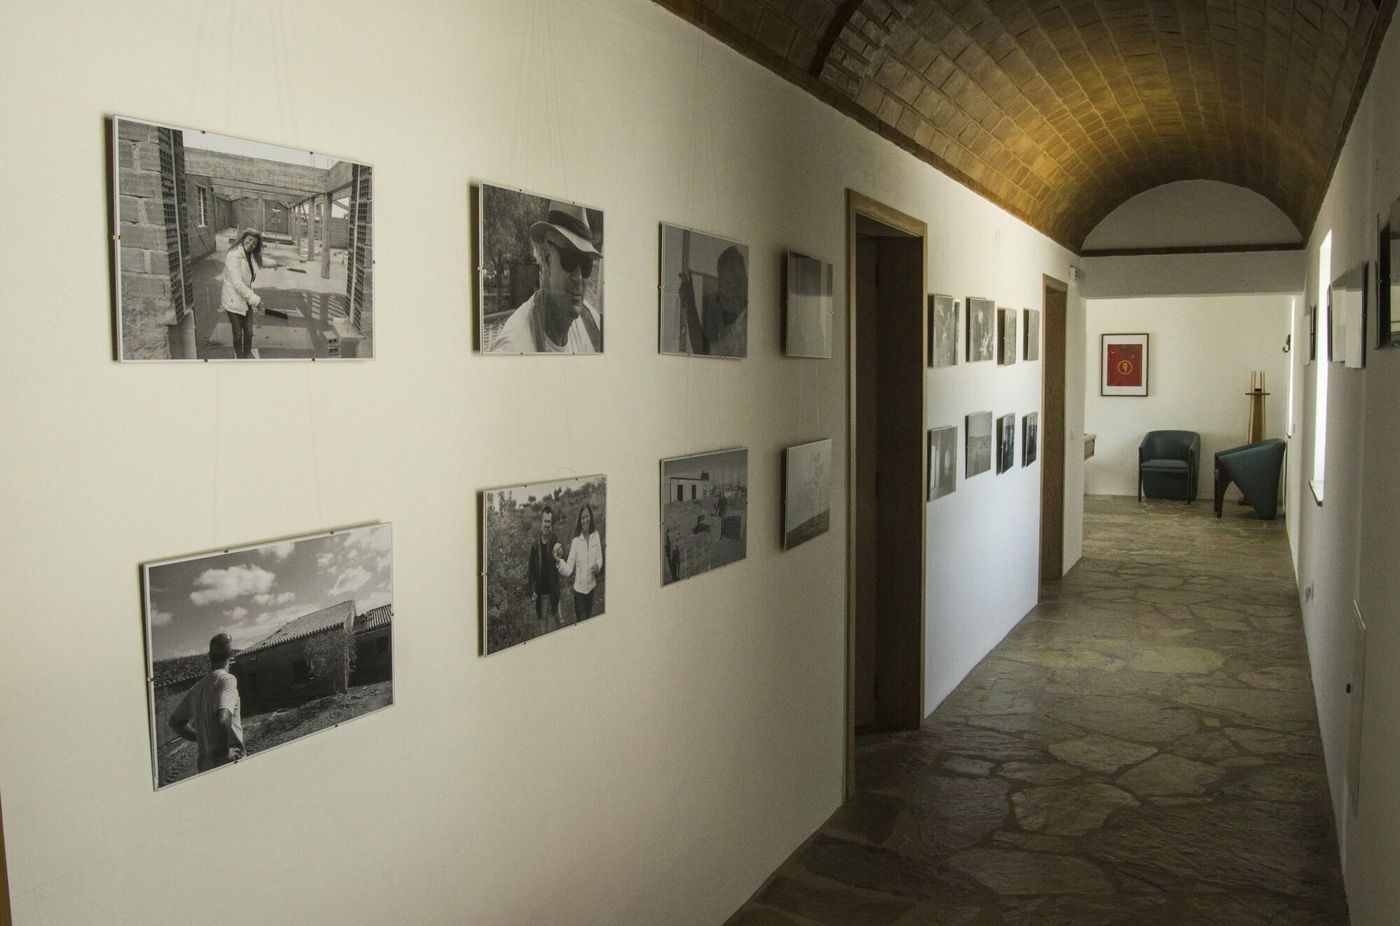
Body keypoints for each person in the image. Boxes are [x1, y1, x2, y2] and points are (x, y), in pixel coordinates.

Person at [492, 201, 602, 353]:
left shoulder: (591, 325)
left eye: (586, 264)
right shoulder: (513, 348)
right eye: (569, 259)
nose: (578, 278)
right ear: (546, 259)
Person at [168, 633, 245, 774]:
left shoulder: (197, 688)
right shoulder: (227, 680)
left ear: (210, 656)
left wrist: (201, 737)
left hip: (205, 767)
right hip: (228, 765)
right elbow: (223, 719)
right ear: (231, 655)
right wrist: (224, 753)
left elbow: (175, 722)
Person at [220, 228, 268, 359]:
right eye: (250, 240)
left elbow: (261, 261)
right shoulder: (233, 255)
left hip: (245, 298)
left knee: (249, 331)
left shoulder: (250, 254)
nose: (251, 244)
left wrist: (276, 264)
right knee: (238, 334)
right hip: (233, 300)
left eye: (255, 243)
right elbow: (237, 284)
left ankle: (247, 353)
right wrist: (257, 302)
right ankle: (239, 356)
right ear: (243, 239)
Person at [555, 503, 603, 623]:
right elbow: (569, 569)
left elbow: (599, 558)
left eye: (587, 516)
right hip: (579, 593)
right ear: (579, 520)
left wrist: (597, 566)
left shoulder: (596, 535)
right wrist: (559, 561)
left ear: (590, 517)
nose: (585, 520)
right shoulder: (576, 541)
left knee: (589, 620)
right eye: (582, 518)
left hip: (591, 588)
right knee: (582, 623)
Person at [527, 506, 562, 632]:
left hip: (552, 594)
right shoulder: (535, 546)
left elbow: (560, 558)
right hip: (541, 596)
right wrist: (533, 589)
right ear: (541, 522)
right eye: (545, 521)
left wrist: (559, 555)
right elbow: (531, 570)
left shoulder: (555, 540)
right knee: (543, 632)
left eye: (549, 522)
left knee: (553, 632)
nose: (547, 524)